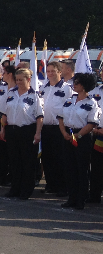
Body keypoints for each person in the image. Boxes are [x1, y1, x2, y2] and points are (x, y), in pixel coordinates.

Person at [58, 72, 99, 209]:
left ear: (85, 85)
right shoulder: (69, 100)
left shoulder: (92, 103)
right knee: (69, 168)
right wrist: (64, 133)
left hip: (82, 138)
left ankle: (81, 199)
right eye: (74, 82)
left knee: (81, 169)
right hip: (67, 136)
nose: (74, 85)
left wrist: (78, 135)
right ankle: (72, 198)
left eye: (77, 83)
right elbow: (61, 118)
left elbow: (91, 123)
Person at [2, 68, 43, 200]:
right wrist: (3, 129)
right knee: (14, 161)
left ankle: (26, 190)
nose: (18, 82)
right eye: (17, 79)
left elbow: (39, 117)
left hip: (27, 131)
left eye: (21, 80)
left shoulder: (34, 95)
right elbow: (4, 113)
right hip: (12, 130)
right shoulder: (10, 93)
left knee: (27, 162)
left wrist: (37, 133)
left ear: (28, 79)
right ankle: (15, 188)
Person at [39, 61, 73, 197]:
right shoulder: (43, 87)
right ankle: (51, 184)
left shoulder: (67, 88)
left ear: (60, 72)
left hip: (59, 127)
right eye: (48, 71)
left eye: (53, 71)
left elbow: (69, 108)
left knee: (60, 158)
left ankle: (62, 186)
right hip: (45, 127)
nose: (50, 74)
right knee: (47, 157)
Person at [0, 65, 16, 186]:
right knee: (1, 151)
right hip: (2, 119)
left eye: (5, 73)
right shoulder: (3, 87)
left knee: (11, 152)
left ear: (10, 74)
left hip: (12, 121)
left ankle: (11, 176)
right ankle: (2, 177)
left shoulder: (17, 89)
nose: (3, 75)